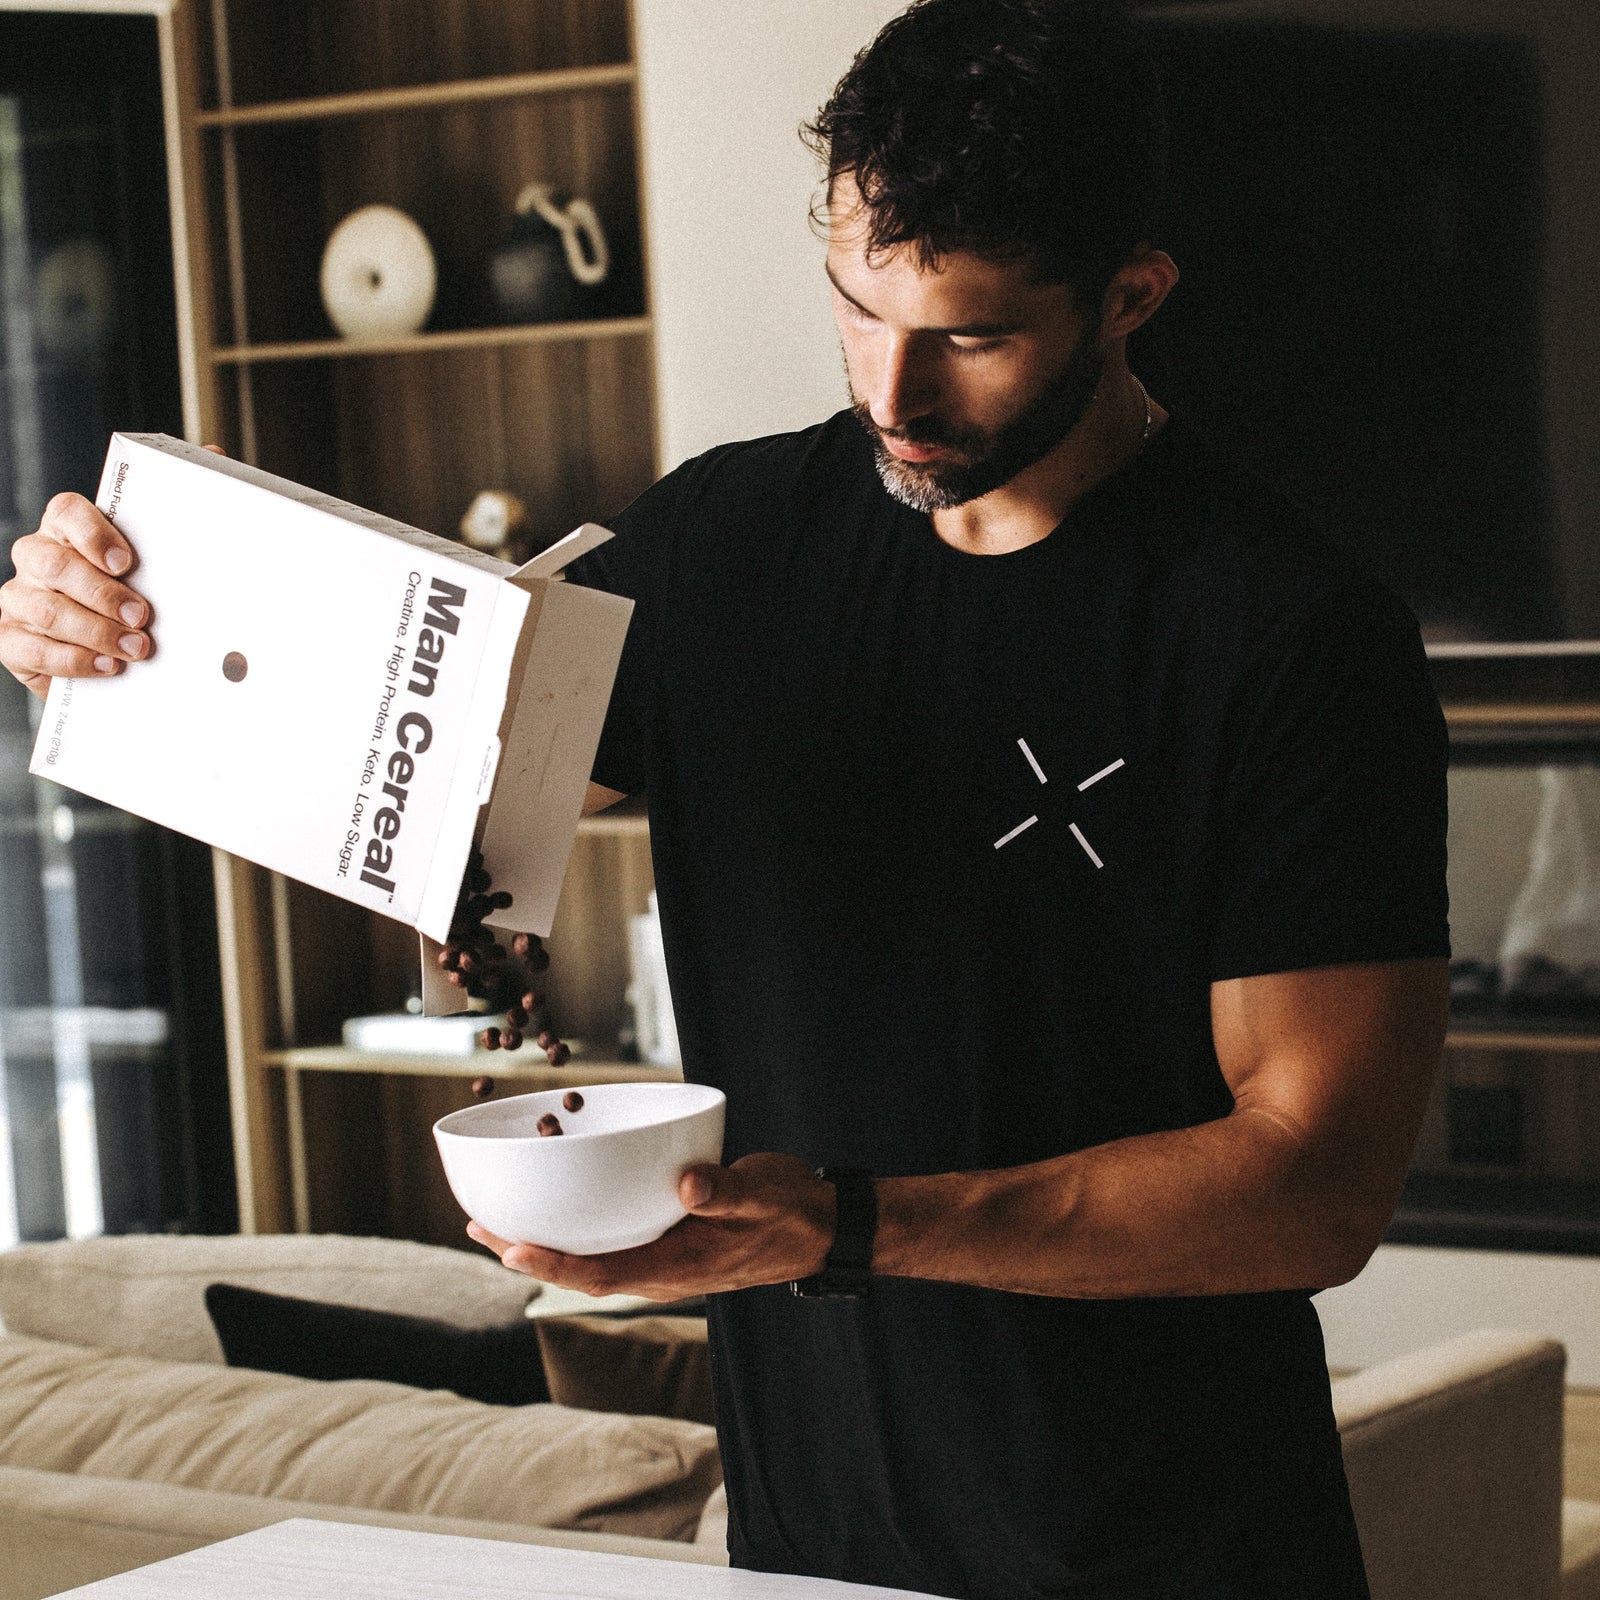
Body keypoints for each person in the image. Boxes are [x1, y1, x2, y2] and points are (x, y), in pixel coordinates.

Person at [0, 3, 1449, 1595]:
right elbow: (416, 794)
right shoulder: (719, 548)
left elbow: (1315, 1187)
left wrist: (842, 1225)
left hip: (1179, 1554)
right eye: (855, 304)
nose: (893, 392)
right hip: (805, 1551)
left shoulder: (1294, 635)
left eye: (972, 336)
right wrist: (127, 627)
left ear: (1130, 297)